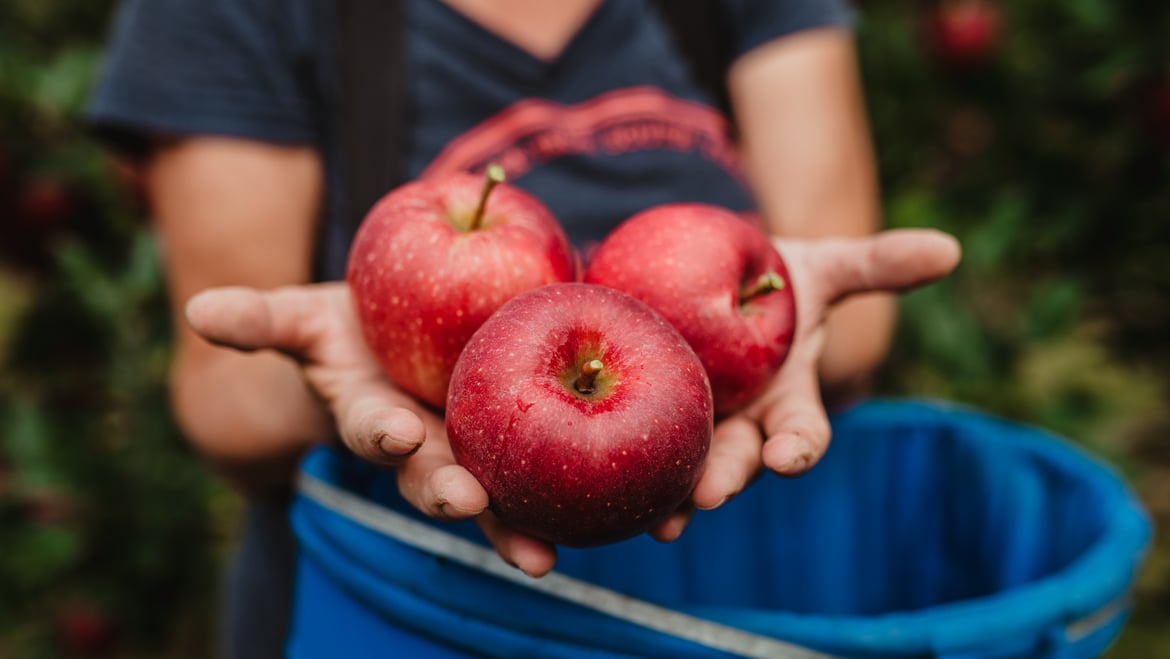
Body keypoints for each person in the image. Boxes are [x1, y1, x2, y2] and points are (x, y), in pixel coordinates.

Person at [87, 0, 961, 657]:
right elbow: (224, 399)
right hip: (406, 610)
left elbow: (850, 316)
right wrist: (395, 372)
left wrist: (793, 315)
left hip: (734, 600)